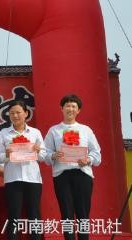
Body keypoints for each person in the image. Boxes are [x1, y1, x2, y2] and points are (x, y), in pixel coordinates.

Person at [44, 94, 101, 240]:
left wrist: (88, 159)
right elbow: (45, 152)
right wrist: (53, 155)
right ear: (61, 109)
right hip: (62, 176)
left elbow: (96, 153)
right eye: (67, 106)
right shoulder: (54, 130)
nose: (70, 109)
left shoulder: (86, 130)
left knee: (83, 214)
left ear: (78, 110)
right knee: (66, 213)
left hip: (83, 174)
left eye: (74, 106)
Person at [0, 100, 46, 240]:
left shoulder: (35, 133)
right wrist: (7, 155)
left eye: (18, 112)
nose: (15, 116)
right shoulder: (4, 133)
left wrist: (37, 151)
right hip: (13, 179)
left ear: (26, 113)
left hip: (33, 179)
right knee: (14, 215)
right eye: (12, 113)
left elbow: (43, 156)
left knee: (34, 215)